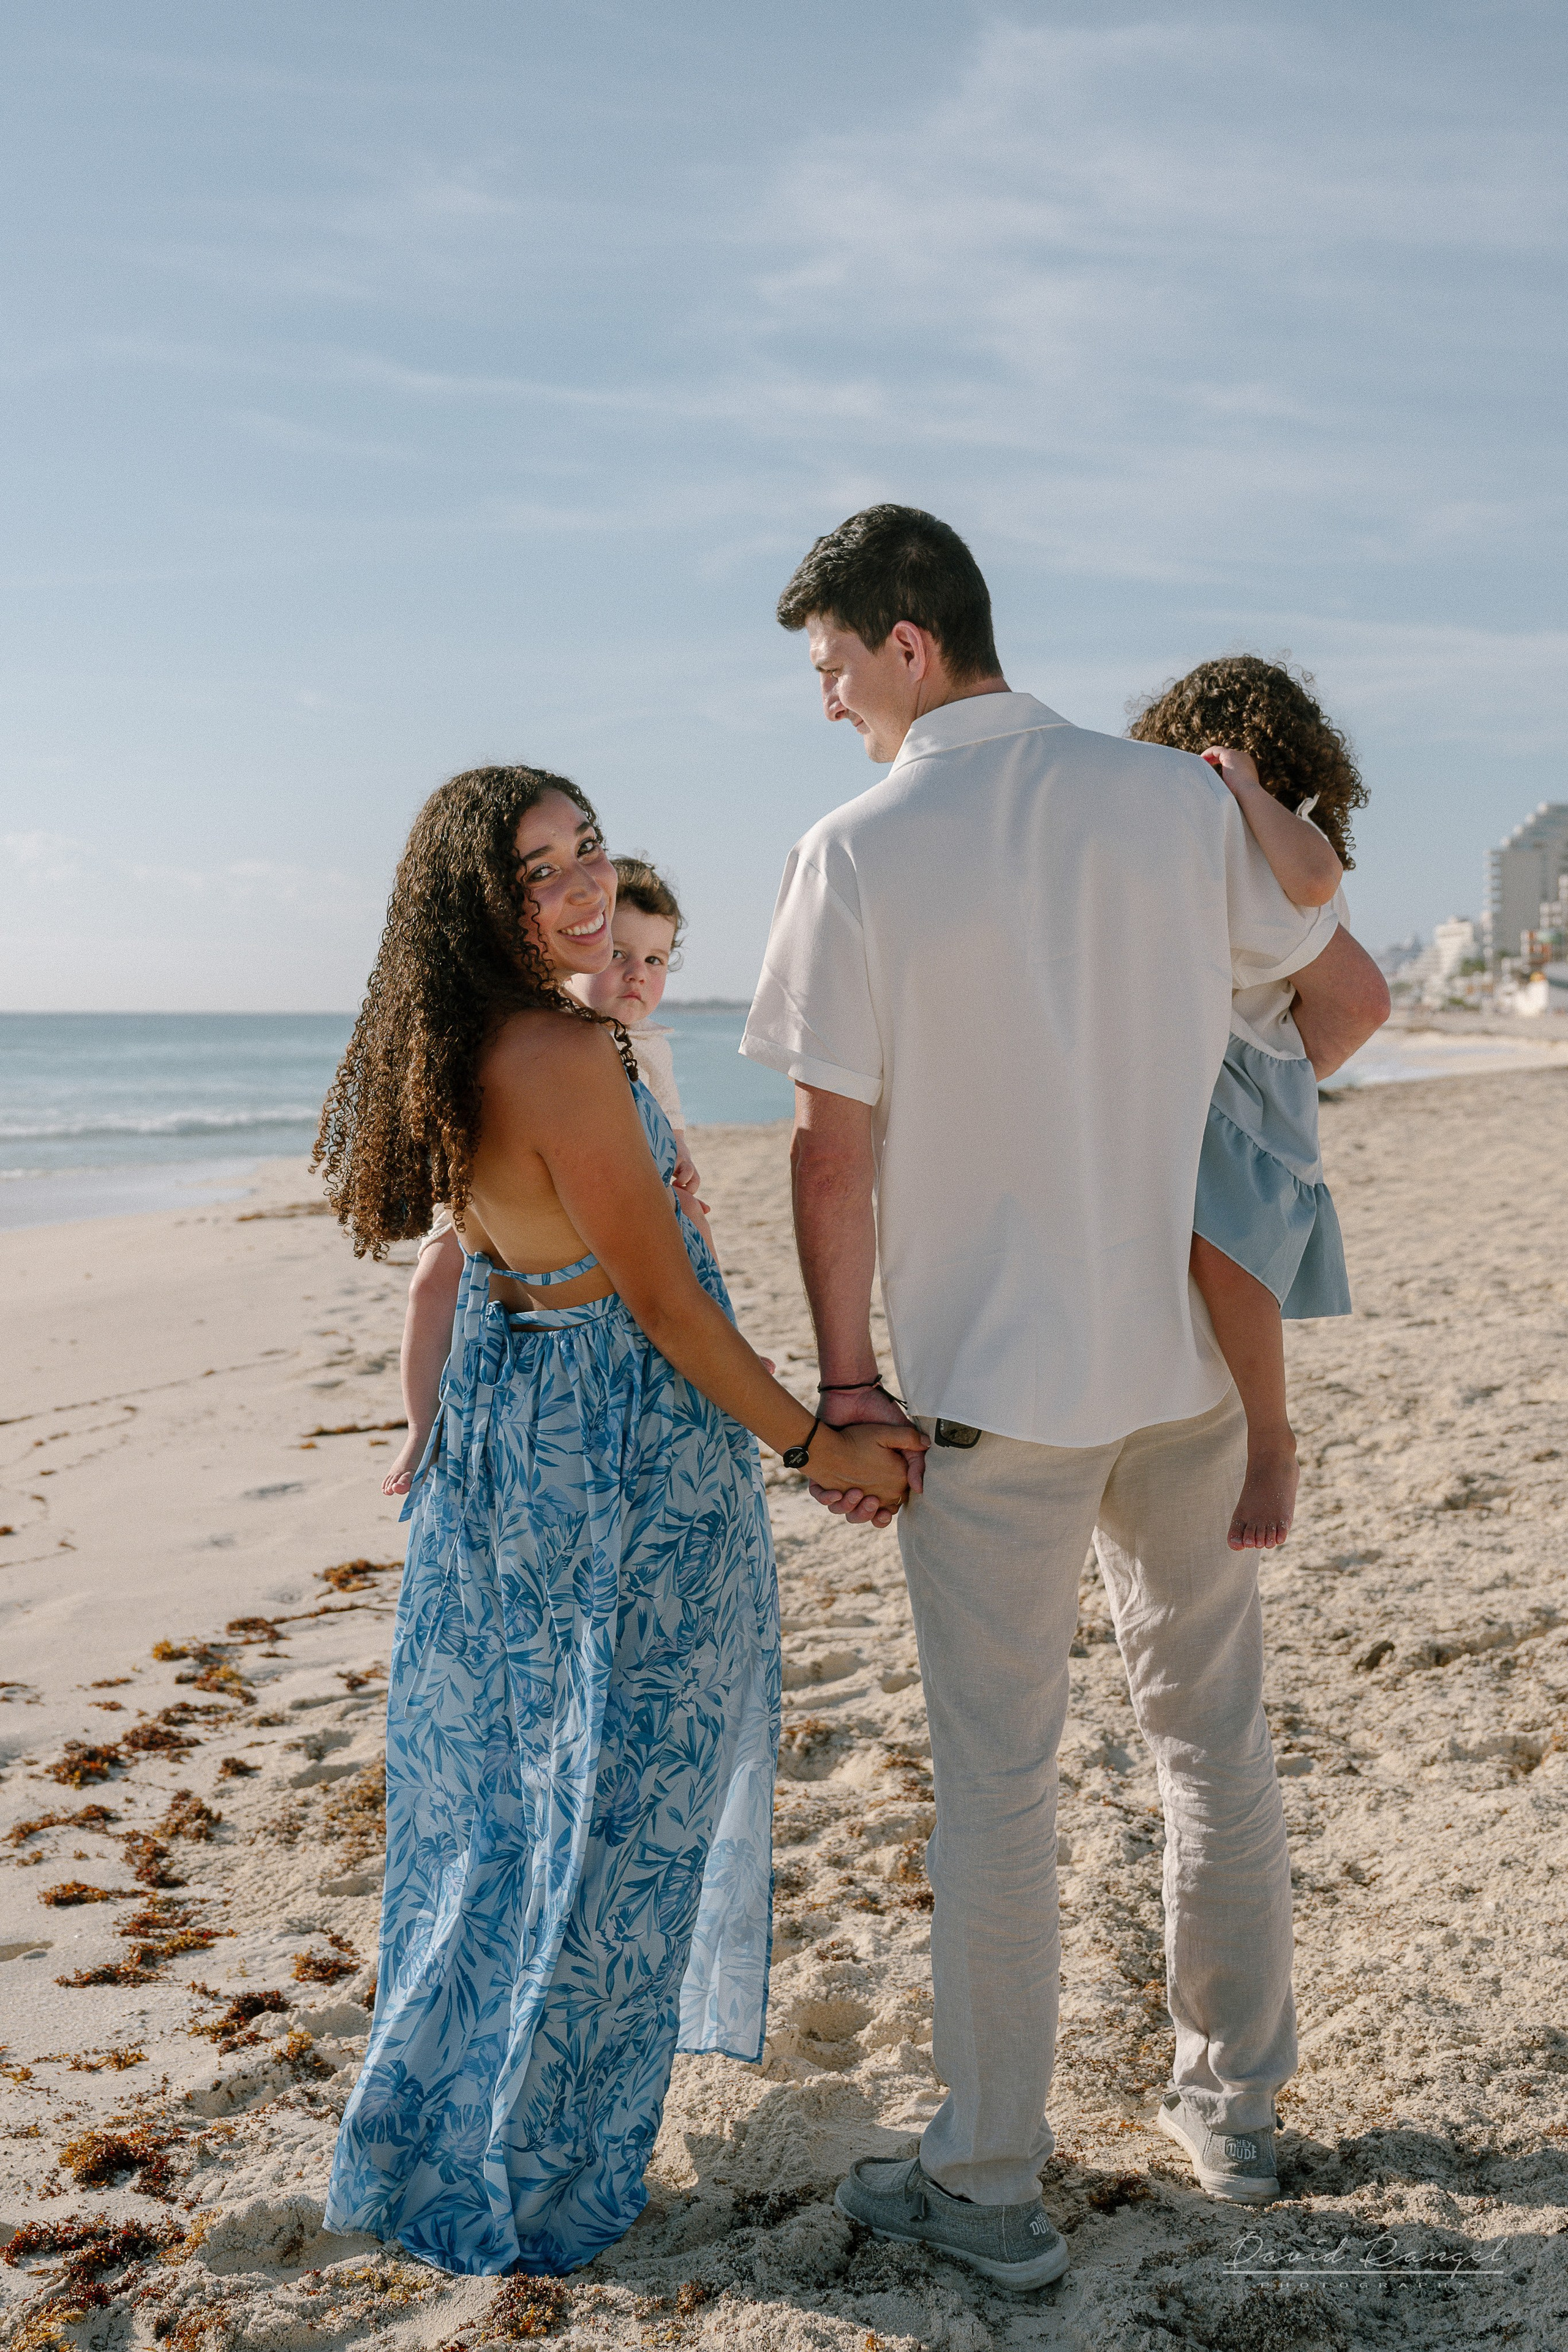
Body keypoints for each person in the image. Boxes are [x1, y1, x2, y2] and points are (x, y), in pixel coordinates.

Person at [741, 507, 1389, 2285]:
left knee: (1003, 1791)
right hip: (1179, 1375)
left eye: (829, 665)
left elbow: (826, 1153)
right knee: (1211, 1738)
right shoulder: (1173, 805)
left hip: (994, 1402)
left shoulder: (858, 845)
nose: (823, 703)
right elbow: (1325, 932)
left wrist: (847, 1375)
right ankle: (1234, 2112)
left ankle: (994, 2181)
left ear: (907, 644)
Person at [314, 764, 921, 2278]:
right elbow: (657, 1303)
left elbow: (469, 1262)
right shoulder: (566, 1049)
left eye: (589, 848)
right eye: (544, 869)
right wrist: (812, 1439)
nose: (585, 883)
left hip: (515, 1433)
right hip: (625, 1448)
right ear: (482, 897)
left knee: (505, 1805)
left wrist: (427, 1422)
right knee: (628, 1808)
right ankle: (544, 2171)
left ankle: (437, 2131)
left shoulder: (441, 1038)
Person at [1129, 657, 1368, 1550]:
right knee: (1197, 1244)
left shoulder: (1286, 831)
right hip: (1218, 1060)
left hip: (1255, 1067)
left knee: (1227, 1249)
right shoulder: (1193, 840)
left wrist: (1246, 789)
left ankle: (1272, 1439)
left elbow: (1313, 883)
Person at [379, 850, 703, 1503]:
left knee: (693, 1222)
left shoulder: (650, 1047)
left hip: (615, 1203)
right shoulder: (543, 1036)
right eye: (620, 954)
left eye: (656, 961)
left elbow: (669, 1133)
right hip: (506, 1207)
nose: (637, 975)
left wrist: (681, 1163)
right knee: (433, 1279)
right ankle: (421, 1425)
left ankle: (718, 1341)